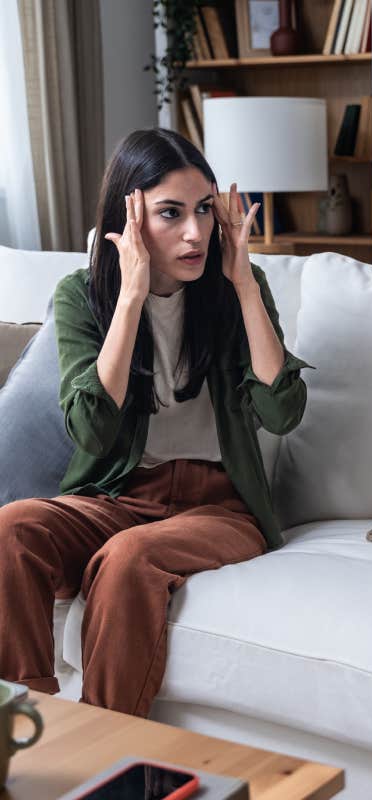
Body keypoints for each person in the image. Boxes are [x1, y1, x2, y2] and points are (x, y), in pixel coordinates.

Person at [0, 128, 309, 717]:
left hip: (220, 506)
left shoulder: (235, 289)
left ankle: (108, 748)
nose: (195, 233)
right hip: (117, 495)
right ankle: (25, 733)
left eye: (202, 210)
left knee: (127, 559)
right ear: (131, 216)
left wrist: (244, 282)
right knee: (12, 529)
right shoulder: (82, 296)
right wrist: (131, 297)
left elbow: (282, 412)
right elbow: (91, 432)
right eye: (171, 213)